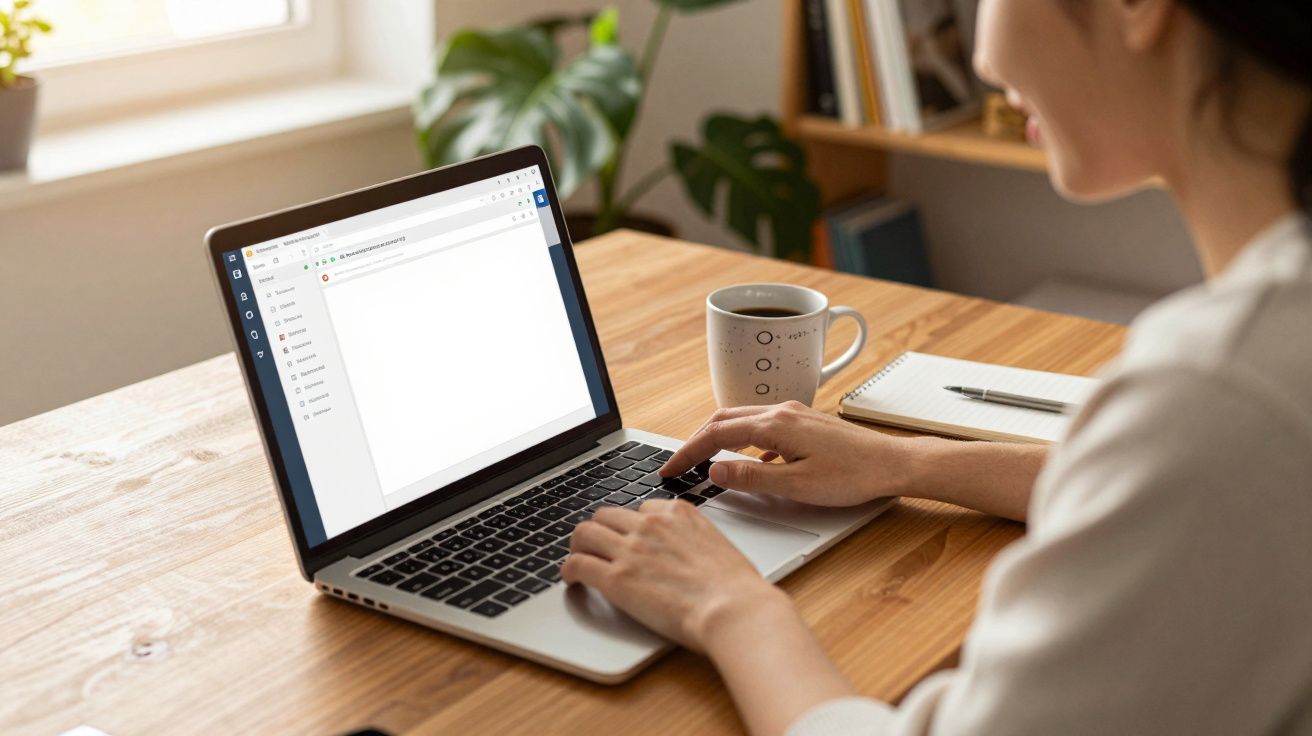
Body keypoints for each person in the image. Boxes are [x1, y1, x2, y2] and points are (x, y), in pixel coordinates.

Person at [562, 0, 1312, 733]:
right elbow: (1177, 490)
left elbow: (1197, 463)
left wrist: (727, 605)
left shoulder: (1219, 396)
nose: (979, 57)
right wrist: (907, 462)